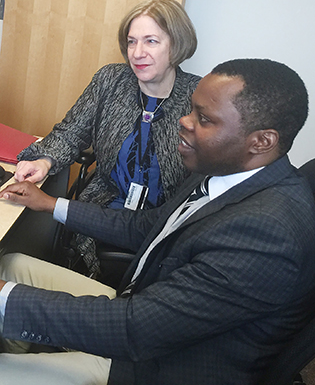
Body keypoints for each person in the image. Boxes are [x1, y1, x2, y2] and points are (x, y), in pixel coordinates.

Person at [0, 58, 315, 385]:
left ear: (261, 141)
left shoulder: (267, 233)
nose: (184, 121)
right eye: (191, 109)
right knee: (11, 265)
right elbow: (145, 227)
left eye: (204, 119)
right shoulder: (222, 168)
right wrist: (51, 204)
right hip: (145, 311)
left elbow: (133, 329)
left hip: (159, 363)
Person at [14, 0, 201, 275]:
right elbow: (73, 130)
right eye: (131, 41)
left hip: (162, 221)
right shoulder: (111, 80)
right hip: (102, 205)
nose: (137, 53)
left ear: (176, 44)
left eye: (151, 41)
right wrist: (45, 160)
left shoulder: (198, 95)